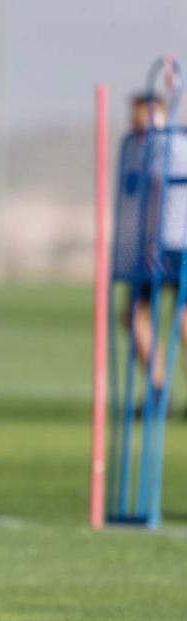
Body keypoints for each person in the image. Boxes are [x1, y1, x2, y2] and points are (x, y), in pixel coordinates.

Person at [124, 92, 185, 408]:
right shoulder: (152, 147)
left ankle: (160, 392)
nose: (133, 123)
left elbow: (157, 193)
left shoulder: (165, 147)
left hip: (170, 244)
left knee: (179, 319)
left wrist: (149, 241)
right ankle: (159, 390)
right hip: (163, 244)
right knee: (137, 314)